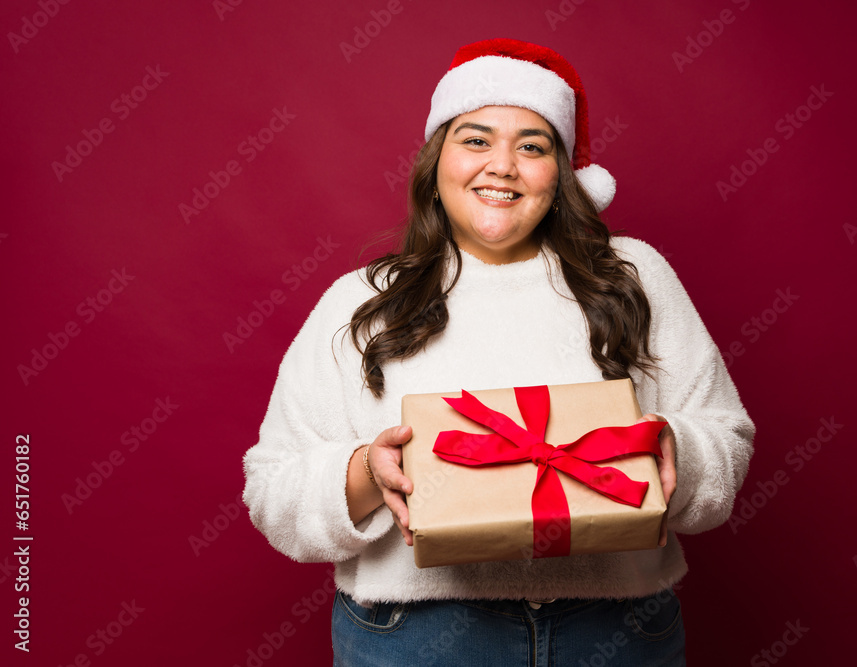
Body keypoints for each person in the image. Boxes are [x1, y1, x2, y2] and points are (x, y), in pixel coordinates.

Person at [242, 38, 754, 666]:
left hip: (616, 633)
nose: (503, 166)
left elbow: (724, 441)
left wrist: (677, 450)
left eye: (532, 146)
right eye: (476, 139)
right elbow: (272, 492)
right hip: (417, 639)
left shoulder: (634, 275)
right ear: (437, 162)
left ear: (561, 176)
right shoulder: (362, 300)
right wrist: (367, 473)